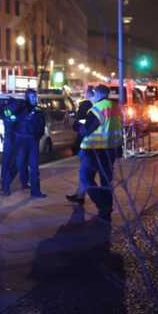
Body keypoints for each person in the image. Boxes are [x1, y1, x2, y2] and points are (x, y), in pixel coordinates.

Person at [76, 84, 123, 223]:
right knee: (106, 181)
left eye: (94, 93)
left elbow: (86, 130)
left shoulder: (98, 108)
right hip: (111, 149)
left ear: (98, 94)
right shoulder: (115, 107)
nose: (93, 96)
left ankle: (102, 206)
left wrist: (76, 126)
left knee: (85, 178)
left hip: (95, 150)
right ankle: (106, 211)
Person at [7, 89, 47, 198]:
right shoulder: (21, 108)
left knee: (34, 167)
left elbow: (42, 125)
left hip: (33, 141)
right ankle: (6, 185)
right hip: (21, 140)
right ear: (27, 97)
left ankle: (35, 191)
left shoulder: (38, 110)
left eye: (35, 96)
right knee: (18, 164)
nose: (35, 99)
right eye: (32, 97)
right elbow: (11, 119)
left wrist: (38, 135)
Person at [66, 87, 95, 205]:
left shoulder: (86, 106)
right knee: (85, 173)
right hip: (98, 146)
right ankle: (79, 194)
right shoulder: (100, 107)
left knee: (85, 174)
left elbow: (81, 126)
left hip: (88, 144)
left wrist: (73, 122)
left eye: (85, 93)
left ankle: (96, 200)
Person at [0, 97, 23, 195]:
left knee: (12, 164)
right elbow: (12, 121)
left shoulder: (11, 112)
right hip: (10, 140)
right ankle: (5, 185)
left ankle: (5, 184)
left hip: (12, 140)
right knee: (9, 164)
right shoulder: (8, 112)